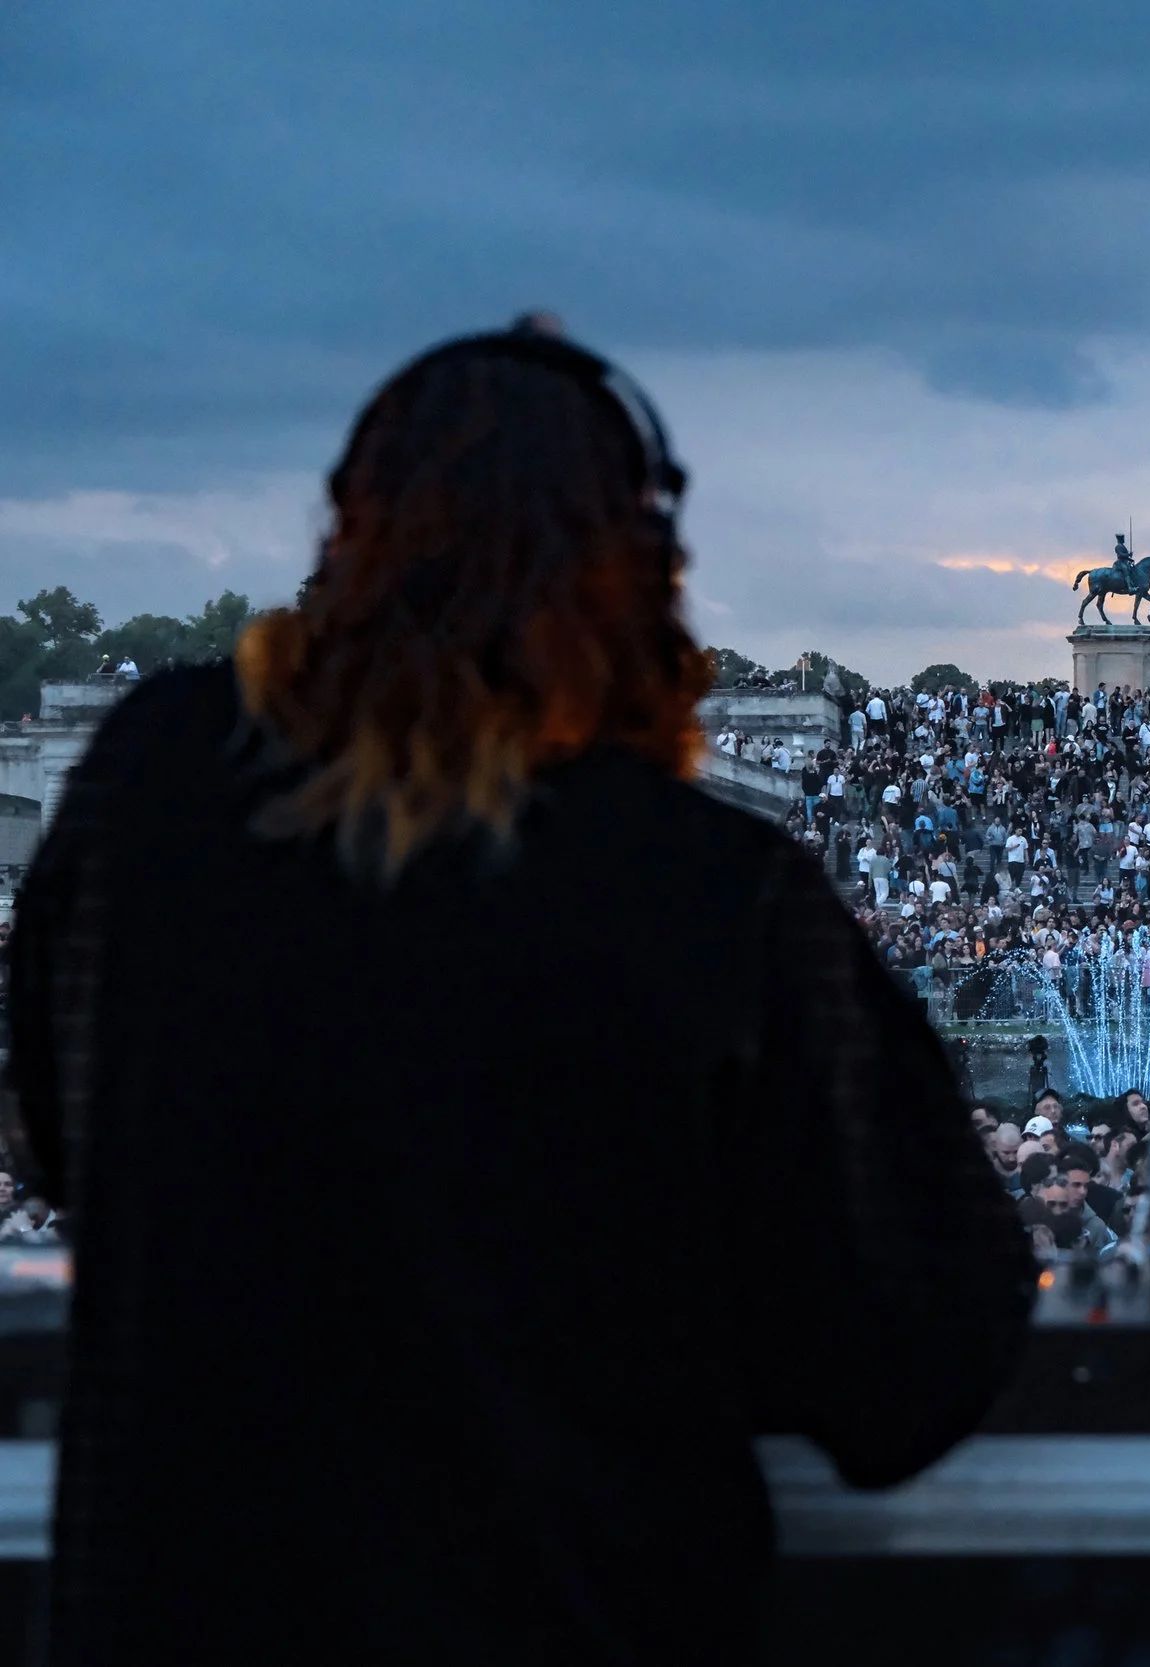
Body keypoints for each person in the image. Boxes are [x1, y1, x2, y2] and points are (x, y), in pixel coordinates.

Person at [6, 320, 1036, 1665]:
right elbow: (916, 1356)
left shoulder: (151, 786)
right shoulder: (708, 891)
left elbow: (61, 1134)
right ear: (639, 565)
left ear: (350, 538)